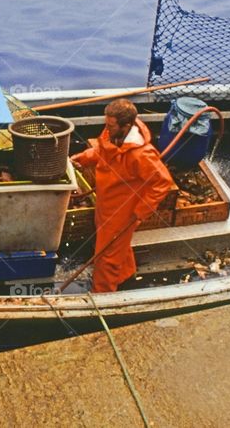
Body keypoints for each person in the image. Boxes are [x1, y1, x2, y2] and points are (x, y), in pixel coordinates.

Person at [70, 99, 174, 292]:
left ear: (126, 126)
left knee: (106, 256)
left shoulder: (141, 155)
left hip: (121, 214)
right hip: (105, 204)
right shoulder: (111, 133)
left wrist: (140, 211)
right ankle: (126, 275)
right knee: (118, 247)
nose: (107, 129)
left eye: (111, 125)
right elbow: (102, 151)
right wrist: (83, 159)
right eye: (107, 124)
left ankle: (103, 296)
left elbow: (162, 181)